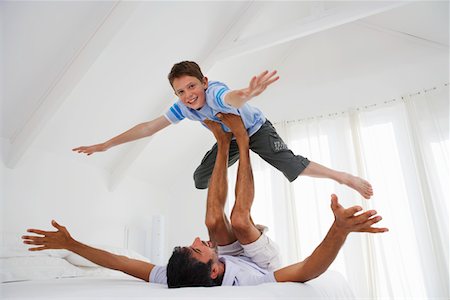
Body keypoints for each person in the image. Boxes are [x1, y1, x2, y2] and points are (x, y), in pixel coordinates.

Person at [25, 114, 387, 287]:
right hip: (259, 261)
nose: (197, 241)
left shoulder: (171, 276)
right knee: (241, 222)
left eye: (190, 245)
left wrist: (71, 243)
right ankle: (241, 141)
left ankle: (224, 142)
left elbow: (120, 262)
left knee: (216, 222)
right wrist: (339, 230)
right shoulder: (249, 284)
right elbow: (307, 270)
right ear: (214, 270)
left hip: (226, 255)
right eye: (198, 249)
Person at [73, 61, 373, 199]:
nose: (188, 94)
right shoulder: (184, 108)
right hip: (227, 138)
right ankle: (236, 151)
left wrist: (249, 93)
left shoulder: (214, 92)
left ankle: (343, 177)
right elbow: (148, 127)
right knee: (200, 179)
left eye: (192, 86)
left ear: (204, 81)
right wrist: (105, 145)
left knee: (291, 165)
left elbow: (232, 98)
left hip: (257, 131)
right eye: (180, 91)